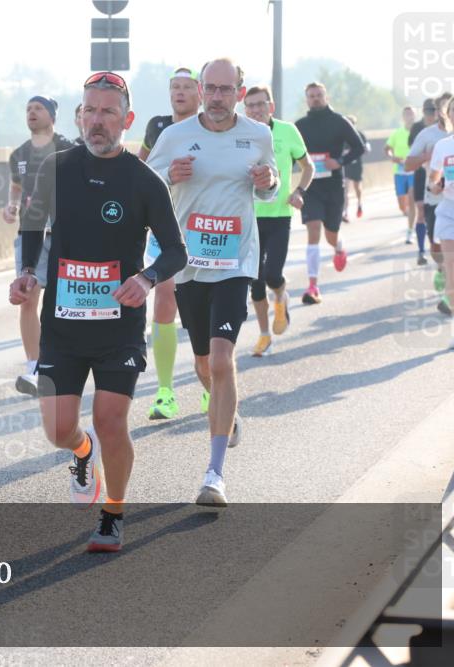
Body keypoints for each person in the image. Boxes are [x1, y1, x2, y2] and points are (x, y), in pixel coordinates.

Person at [10, 71, 185, 551]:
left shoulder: (145, 181)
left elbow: (176, 252)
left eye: (109, 111)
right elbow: (31, 224)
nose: (98, 120)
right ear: (79, 116)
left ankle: (113, 514)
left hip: (119, 327)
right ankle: (82, 453)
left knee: (111, 420)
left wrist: (146, 278)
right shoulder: (56, 169)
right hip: (61, 329)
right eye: (90, 110)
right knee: (59, 429)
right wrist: (27, 270)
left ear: (126, 119)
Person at [148, 58, 279, 506]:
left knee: (222, 360)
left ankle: (214, 473)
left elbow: (269, 185)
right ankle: (228, 410)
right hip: (189, 265)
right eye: (212, 88)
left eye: (227, 89)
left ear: (239, 92)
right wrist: (170, 175)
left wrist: (269, 180)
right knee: (204, 366)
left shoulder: (258, 135)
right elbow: (146, 185)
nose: (219, 97)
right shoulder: (174, 136)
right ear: (201, 91)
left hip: (235, 262)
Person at [138, 66, 201, 419]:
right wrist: (168, 176)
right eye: (174, 87)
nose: (179, 92)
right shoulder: (157, 127)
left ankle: (209, 382)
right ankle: (165, 391)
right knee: (164, 298)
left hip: (206, 229)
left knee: (201, 306)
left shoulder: (213, 127)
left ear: (200, 93)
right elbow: (140, 173)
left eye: (186, 87)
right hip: (166, 228)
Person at [5, 96, 75, 397]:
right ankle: (34, 365)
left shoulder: (69, 148)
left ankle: (64, 362)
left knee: (62, 303)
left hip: (61, 234)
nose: (32, 113)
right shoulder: (18, 154)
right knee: (28, 297)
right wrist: (10, 205)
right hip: (30, 232)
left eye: (38, 108)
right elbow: (17, 186)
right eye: (28, 108)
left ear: (52, 115)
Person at [243, 85, 313, 357]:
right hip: (249, 217)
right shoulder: (239, 134)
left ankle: (281, 297)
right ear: (244, 108)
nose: (256, 110)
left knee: (272, 274)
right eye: (250, 105)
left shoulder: (287, 131)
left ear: (270, 106)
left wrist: (299, 191)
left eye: (261, 104)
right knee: (255, 281)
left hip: (279, 215)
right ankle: (264, 335)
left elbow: (308, 166)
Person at [294, 82, 366, 305]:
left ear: (326, 96)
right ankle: (313, 285)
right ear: (306, 99)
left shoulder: (338, 121)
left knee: (330, 234)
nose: (315, 99)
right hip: (311, 187)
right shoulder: (300, 125)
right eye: (311, 96)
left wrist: (340, 161)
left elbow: (359, 147)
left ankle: (339, 247)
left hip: (334, 187)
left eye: (319, 95)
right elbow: (289, 153)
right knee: (313, 229)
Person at [406, 93, 453, 315]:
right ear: (438, 111)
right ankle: (443, 271)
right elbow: (408, 164)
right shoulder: (427, 135)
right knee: (437, 249)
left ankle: (450, 296)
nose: (446, 113)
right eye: (441, 109)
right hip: (435, 200)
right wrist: (427, 155)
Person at [426, 94, 454, 348]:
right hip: (450, 210)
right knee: (453, 269)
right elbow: (433, 178)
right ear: (448, 115)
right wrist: (435, 186)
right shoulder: (443, 147)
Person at [409, 99, 439, 265]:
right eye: (427, 110)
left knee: (438, 215)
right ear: (423, 111)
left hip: (439, 177)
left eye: (433, 110)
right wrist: (424, 157)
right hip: (421, 175)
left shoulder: (443, 128)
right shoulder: (417, 128)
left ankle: (440, 249)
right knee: (420, 212)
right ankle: (421, 251)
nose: (430, 113)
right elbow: (411, 154)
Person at [386, 106, 418, 251]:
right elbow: (387, 148)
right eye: (406, 114)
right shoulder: (397, 133)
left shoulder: (419, 131)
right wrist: (393, 157)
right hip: (399, 172)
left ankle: (410, 231)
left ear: (415, 116)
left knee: (412, 199)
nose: (408, 116)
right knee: (402, 205)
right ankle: (410, 216)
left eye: (411, 114)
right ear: (402, 117)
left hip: (414, 171)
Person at [341, 115, 369, 222]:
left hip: (357, 165)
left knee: (357, 188)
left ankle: (359, 202)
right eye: (348, 122)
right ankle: (345, 212)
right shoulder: (341, 135)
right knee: (345, 190)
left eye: (352, 122)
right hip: (345, 165)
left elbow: (366, 149)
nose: (350, 124)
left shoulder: (360, 134)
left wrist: (356, 152)